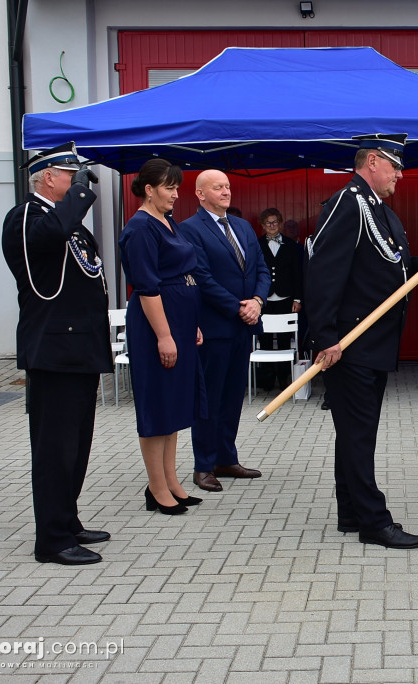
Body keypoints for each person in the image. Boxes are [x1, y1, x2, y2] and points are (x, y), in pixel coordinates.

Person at [305, 133, 418, 549]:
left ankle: (351, 512)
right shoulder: (347, 203)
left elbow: (383, 266)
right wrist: (327, 338)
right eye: (395, 166)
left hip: (372, 343)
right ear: (372, 161)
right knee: (357, 433)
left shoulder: (379, 211)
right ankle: (374, 521)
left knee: (356, 433)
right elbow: (323, 275)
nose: (400, 175)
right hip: (350, 343)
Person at [1, 142, 113, 565]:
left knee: (77, 444)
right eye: (72, 175)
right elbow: (48, 240)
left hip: (78, 348)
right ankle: (51, 539)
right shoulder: (26, 216)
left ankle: (67, 519)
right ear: (48, 177)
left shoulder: (64, 220)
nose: (79, 182)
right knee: (55, 449)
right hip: (53, 349)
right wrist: (82, 197)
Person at [119, 159, 206, 515]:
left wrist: (190, 324)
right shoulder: (139, 228)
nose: (174, 193)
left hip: (179, 321)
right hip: (157, 324)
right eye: (168, 187)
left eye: (175, 186)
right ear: (149, 189)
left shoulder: (166, 220)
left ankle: (171, 480)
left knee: (173, 405)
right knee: (157, 405)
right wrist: (165, 335)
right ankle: (156, 488)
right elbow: (147, 287)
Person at [177, 170, 269, 491]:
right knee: (209, 399)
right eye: (218, 187)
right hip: (214, 328)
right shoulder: (190, 229)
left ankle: (226, 458)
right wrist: (238, 307)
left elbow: (260, 269)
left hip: (242, 328)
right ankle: (203, 466)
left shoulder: (243, 226)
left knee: (232, 397)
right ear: (201, 194)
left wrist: (257, 300)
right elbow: (201, 277)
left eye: (227, 186)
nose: (226, 192)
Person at [255, 207, 303, 391]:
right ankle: (267, 380)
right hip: (264, 299)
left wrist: (298, 298)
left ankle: (284, 379)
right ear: (263, 225)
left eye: (275, 222)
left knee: (284, 339)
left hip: (286, 298)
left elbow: (297, 274)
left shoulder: (291, 246)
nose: (272, 226)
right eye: (268, 223)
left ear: (280, 223)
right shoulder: (257, 245)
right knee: (264, 339)